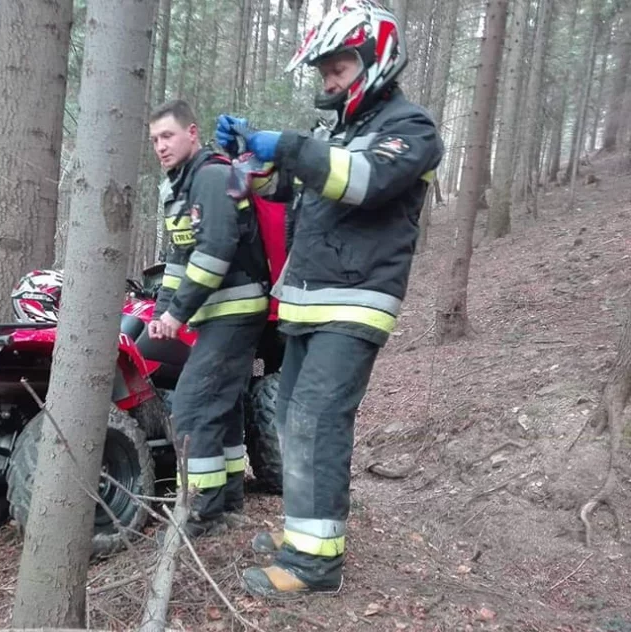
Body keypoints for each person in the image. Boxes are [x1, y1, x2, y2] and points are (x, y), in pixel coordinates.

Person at [215, 0, 444, 596]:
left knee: (317, 422)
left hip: (355, 302)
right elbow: (281, 188)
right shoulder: (335, 133)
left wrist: (287, 145)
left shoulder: (409, 129)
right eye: (323, 71)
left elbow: (363, 181)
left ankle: (316, 565)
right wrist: (246, 157)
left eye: (337, 67)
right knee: (291, 422)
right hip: (309, 303)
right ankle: (304, 537)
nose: (328, 81)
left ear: (374, 58)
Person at [146, 99, 271, 537]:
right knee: (221, 405)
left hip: (236, 309)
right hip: (217, 313)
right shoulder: (179, 189)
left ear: (192, 133)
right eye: (155, 139)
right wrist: (162, 312)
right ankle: (228, 500)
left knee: (193, 405)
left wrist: (178, 314)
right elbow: (179, 260)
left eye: (168, 136)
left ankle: (199, 510)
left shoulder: (213, 176)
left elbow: (215, 253)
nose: (161, 146)